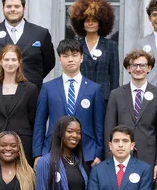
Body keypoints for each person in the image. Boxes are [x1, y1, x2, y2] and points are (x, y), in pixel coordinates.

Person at [33, 39, 104, 167]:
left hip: (87, 151)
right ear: (60, 59)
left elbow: (99, 125)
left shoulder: (94, 89)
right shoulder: (48, 88)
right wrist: (38, 154)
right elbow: (39, 123)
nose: (70, 59)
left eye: (74, 55)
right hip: (53, 149)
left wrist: (99, 153)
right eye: (65, 56)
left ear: (82, 58)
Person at [105, 49, 157, 179]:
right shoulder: (116, 94)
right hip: (121, 155)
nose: (138, 69)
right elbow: (109, 128)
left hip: (148, 156)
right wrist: (109, 157)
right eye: (134, 65)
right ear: (128, 68)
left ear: (149, 68)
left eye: (142, 65)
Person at [0, 0, 55, 87]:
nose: (12, 9)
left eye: (16, 6)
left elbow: (49, 62)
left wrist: (32, 77)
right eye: (8, 6)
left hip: (30, 91)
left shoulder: (41, 33)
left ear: (23, 9)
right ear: (3, 9)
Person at [0, 45, 39, 163]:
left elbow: (33, 118)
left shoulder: (30, 89)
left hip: (21, 143)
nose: (10, 63)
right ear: (0, 62)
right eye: (6, 59)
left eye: (14, 60)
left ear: (19, 62)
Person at [70, 0, 119, 104]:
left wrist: (114, 100)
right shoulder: (76, 46)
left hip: (104, 98)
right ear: (81, 23)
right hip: (81, 95)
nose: (90, 23)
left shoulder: (111, 45)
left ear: (100, 23)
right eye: (87, 21)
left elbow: (114, 77)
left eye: (94, 21)